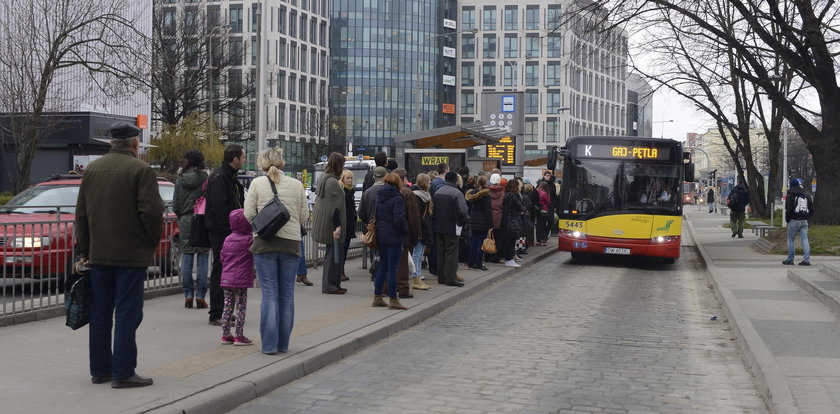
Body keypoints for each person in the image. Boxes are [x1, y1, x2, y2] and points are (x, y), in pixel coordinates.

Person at [75, 122, 163, 388]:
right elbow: (151, 213)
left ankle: (100, 370)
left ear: (111, 143)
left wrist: (87, 250)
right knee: (127, 312)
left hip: (100, 255)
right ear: (135, 143)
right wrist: (151, 242)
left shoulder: (92, 170)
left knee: (100, 313)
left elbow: (82, 215)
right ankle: (123, 372)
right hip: (130, 256)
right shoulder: (141, 170)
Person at [244, 147, 307, 355]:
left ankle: (269, 346)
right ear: (282, 163)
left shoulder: (256, 183)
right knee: (287, 295)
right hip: (290, 244)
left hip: (265, 243)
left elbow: (248, 213)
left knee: (269, 294)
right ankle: (283, 344)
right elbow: (304, 216)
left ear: (262, 164)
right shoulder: (297, 185)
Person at [204, 144, 246, 325]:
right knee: (220, 270)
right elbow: (220, 208)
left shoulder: (227, 177)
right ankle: (216, 313)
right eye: (243, 157)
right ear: (235, 159)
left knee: (226, 270)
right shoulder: (220, 178)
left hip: (226, 231)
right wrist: (230, 229)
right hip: (222, 232)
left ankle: (224, 311)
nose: (245, 160)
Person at [172, 150, 210, 309]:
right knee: (202, 256)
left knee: (186, 255)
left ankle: (188, 294)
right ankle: (201, 295)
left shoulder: (180, 179)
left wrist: (182, 216)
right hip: (202, 219)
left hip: (186, 220)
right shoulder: (205, 179)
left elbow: (176, 204)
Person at [312, 153, 348, 295]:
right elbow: (335, 208)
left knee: (332, 255)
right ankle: (330, 286)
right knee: (333, 256)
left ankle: (332, 285)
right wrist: (338, 226)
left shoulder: (324, 178)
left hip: (325, 222)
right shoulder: (332, 182)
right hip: (333, 225)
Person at [372, 173, 409, 310]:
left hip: (381, 235)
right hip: (394, 236)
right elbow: (398, 219)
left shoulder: (379, 196)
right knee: (393, 268)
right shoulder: (397, 197)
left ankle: (377, 296)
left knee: (383, 266)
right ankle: (394, 299)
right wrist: (404, 231)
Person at [219, 209, 254, 346]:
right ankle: (239, 335)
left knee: (227, 306)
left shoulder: (227, 239)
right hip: (241, 280)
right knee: (241, 307)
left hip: (226, 278)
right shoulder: (249, 240)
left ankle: (226, 334)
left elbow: (222, 256)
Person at [389, 168, 422, 298]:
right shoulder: (407, 193)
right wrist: (416, 234)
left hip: (387, 233)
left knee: (389, 262)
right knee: (403, 262)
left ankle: (388, 287)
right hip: (403, 232)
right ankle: (402, 288)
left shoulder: (384, 191)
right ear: (402, 179)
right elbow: (414, 216)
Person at [432, 172, 469, 287]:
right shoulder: (457, 193)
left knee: (441, 252)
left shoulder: (438, 192)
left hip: (439, 226)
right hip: (453, 226)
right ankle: (450, 278)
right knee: (451, 252)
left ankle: (441, 277)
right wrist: (464, 222)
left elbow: (433, 209)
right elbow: (463, 211)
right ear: (455, 181)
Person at [410, 173, 434, 289]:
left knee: (419, 255)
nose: (430, 184)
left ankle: (418, 277)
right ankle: (416, 278)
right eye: (429, 182)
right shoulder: (420, 196)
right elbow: (418, 217)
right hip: (421, 229)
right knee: (417, 254)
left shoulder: (422, 195)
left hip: (422, 228)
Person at [783, 178, 814, 266]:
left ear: (791, 186)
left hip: (794, 220)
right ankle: (806, 260)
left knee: (791, 240)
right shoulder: (806, 195)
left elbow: (788, 210)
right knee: (804, 239)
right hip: (804, 221)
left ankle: (790, 259)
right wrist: (807, 217)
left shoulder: (790, 196)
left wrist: (787, 219)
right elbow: (811, 209)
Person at [465, 175, 492, 270]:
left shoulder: (472, 193)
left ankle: (471, 262)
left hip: (473, 219)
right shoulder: (486, 195)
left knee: (473, 242)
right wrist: (490, 224)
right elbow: (488, 211)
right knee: (480, 243)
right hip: (483, 221)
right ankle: (478, 263)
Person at [500, 179, 525, 267]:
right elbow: (520, 206)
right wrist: (523, 210)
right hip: (513, 220)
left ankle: (508, 258)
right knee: (512, 240)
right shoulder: (514, 196)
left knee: (507, 240)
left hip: (505, 220)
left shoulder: (506, 195)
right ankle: (510, 259)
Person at [339, 169, 357, 282]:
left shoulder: (350, 191)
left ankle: (341, 270)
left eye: (351, 178)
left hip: (350, 223)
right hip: (344, 223)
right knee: (342, 248)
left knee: (345, 249)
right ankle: (340, 271)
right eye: (347, 178)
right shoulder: (343, 191)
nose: (350, 180)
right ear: (342, 179)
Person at [487, 173, 506, 263]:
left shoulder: (487, 191)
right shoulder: (502, 192)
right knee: (498, 238)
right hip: (499, 217)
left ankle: (488, 255)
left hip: (488, 216)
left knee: (488, 237)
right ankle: (497, 256)